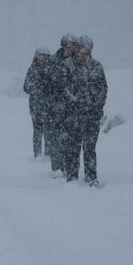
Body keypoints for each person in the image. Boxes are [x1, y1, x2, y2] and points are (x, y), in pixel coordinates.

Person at [60, 36, 108, 186]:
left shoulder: (97, 67)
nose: (84, 54)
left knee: (90, 148)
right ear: (77, 49)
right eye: (82, 50)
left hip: (92, 116)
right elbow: (62, 89)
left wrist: (97, 106)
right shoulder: (67, 66)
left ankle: (91, 177)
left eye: (87, 51)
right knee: (73, 148)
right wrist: (73, 102)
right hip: (72, 116)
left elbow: (103, 89)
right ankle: (72, 178)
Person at [46, 33, 77, 177]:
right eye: (67, 45)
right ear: (63, 45)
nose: (69, 47)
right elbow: (48, 83)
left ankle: (68, 166)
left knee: (70, 139)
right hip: (55, 105)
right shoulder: (53, 60)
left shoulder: (76, 61)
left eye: (71, 45)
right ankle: (57, 168)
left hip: (71, 106)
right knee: (55, 138)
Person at [23, 48, 52, 159]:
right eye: (40, 56)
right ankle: (38, 154)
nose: (42, 58)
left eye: (44, 56)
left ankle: (49, 154)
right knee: (37, 130)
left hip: (49, 106)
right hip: (35, 106)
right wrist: (36, 89)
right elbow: (26, 87)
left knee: (48, 131)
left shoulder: (52, 70)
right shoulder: (32, 70)